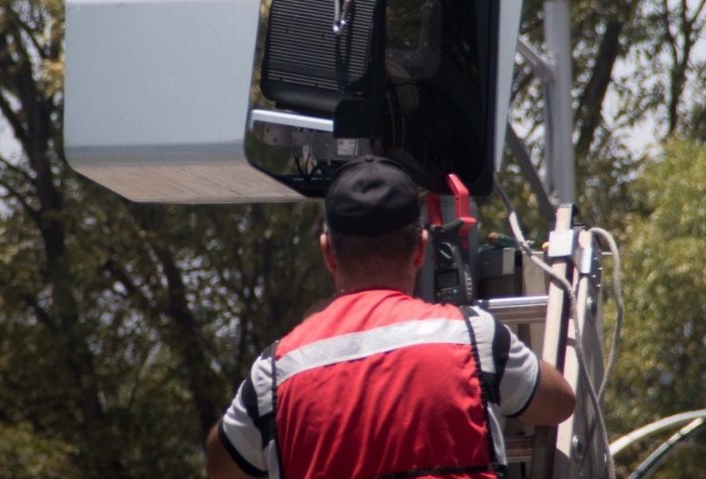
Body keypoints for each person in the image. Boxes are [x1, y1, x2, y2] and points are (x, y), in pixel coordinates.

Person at [206, 157, 575, 479]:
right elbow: (559, 403)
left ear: (328, 253)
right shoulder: (473, 337)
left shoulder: (276, 372)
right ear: (421, 248)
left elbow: (221, 464)